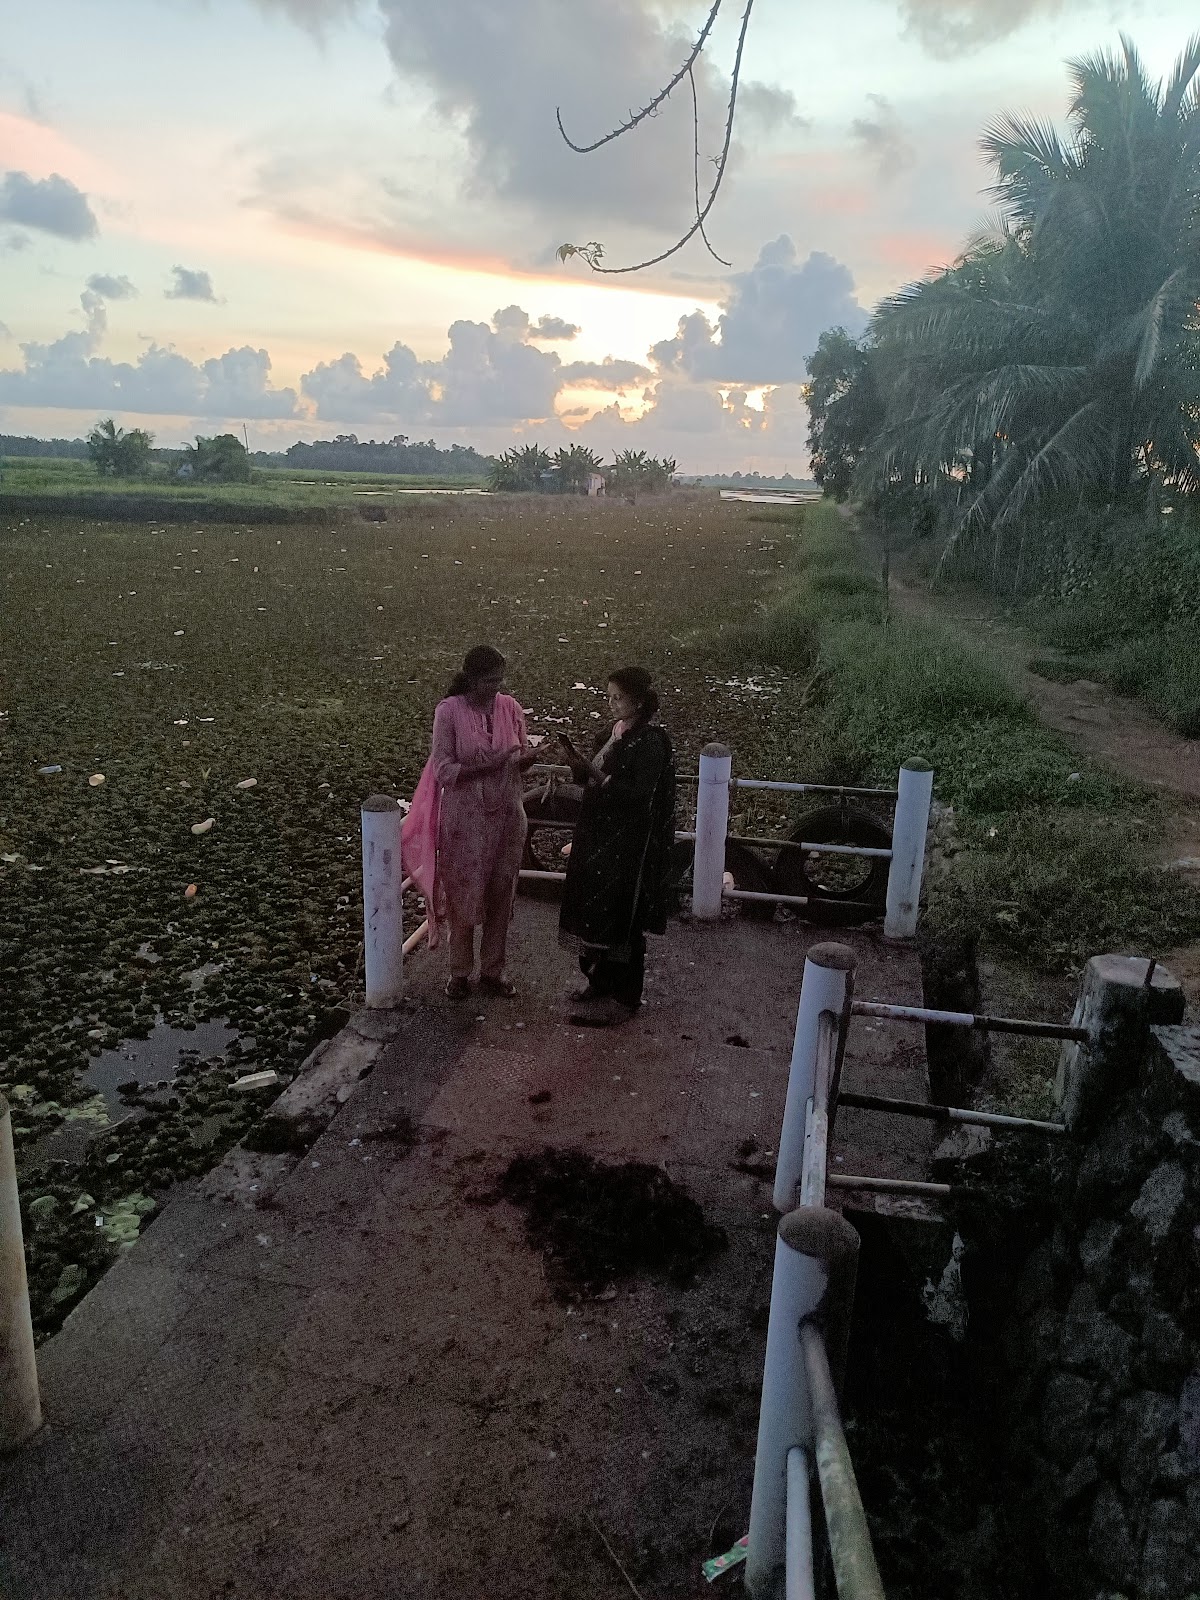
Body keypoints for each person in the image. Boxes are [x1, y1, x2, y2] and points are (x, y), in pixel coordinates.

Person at [403, 645, 537, 999]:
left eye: (499, 680)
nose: (496, 687)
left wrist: (531, 758)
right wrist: (491, 765)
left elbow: (519, 758)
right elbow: (443, 769)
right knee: (462, 894)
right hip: (464, 821)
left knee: (501, 893)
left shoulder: (510, 707)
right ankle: (459, 973)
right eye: (489, 681)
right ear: (472, 679)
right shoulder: (449, 712)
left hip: (508, 815)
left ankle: (493, 971)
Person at [554, 667, 676, 1026]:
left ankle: (626, 997)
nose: (611, 704)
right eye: (607, 697)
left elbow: (637, 795)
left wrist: (594, 775)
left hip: (630, 843)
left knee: (624, 914)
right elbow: (592, 777)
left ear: (638, 700)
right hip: (599, 837)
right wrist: (577, 764)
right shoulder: (611, 734)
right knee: (596, 908)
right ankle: (599, 980)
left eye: (617, 698)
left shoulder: (651, 742)